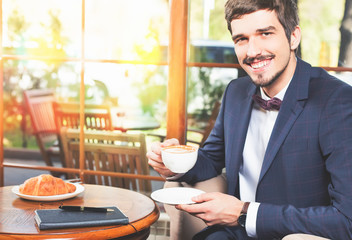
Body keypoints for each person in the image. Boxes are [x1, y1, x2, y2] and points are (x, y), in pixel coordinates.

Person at [147, 0, 352, 239]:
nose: (252, 52)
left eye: (265, 34)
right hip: (235, 233)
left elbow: (346, 219)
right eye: (241, 39)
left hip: (294, 233)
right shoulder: (235, 92)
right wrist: (174, 162)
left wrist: (243, 212)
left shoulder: (337, 101)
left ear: (293, 37)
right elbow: (211, 161)